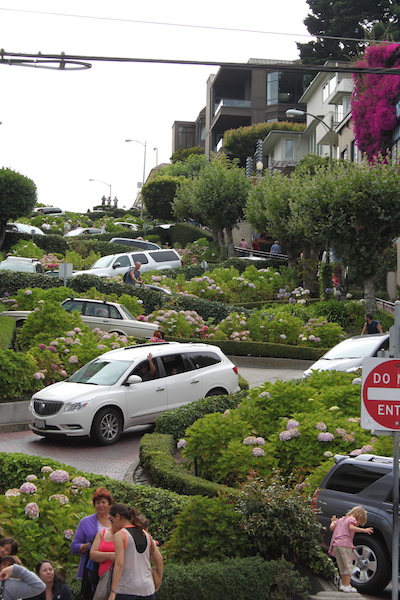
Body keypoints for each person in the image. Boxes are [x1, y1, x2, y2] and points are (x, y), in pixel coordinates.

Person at [108, 502, 163, 600]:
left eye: (112, 519)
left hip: (127, 588)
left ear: (118, 516)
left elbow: (119, 564)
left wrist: (113, 591)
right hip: (147, 588)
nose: (113, 523)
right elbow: (159, 559)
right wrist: (158, 581)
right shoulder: (145, 534)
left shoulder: (120, 535)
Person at [70, 487, 113, 599]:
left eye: (103, 502)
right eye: (97, 503)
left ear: (109, 504)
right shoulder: (85, 522)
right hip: (92, 569)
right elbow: (74, 547)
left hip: (113, 568)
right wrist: (90, 545)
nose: (100, 505)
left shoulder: (116, 521)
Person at [329, 506, 373, 593]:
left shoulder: (341, 520)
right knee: (348, 565)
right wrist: (363, 530)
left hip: (336, 544)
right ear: (359, 516)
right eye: (359, 522)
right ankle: (347, 585)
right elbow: (351, 528)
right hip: (345, 545)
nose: (358, 524)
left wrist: (333, 521)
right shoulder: (351, 519)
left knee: (342, 566)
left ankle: (343, 584)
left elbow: (332, 528)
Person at [90, 525, 115, 600]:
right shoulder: (102, 533)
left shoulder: (126, 534)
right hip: (104, 575)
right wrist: (110, 555)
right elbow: (92, 555)